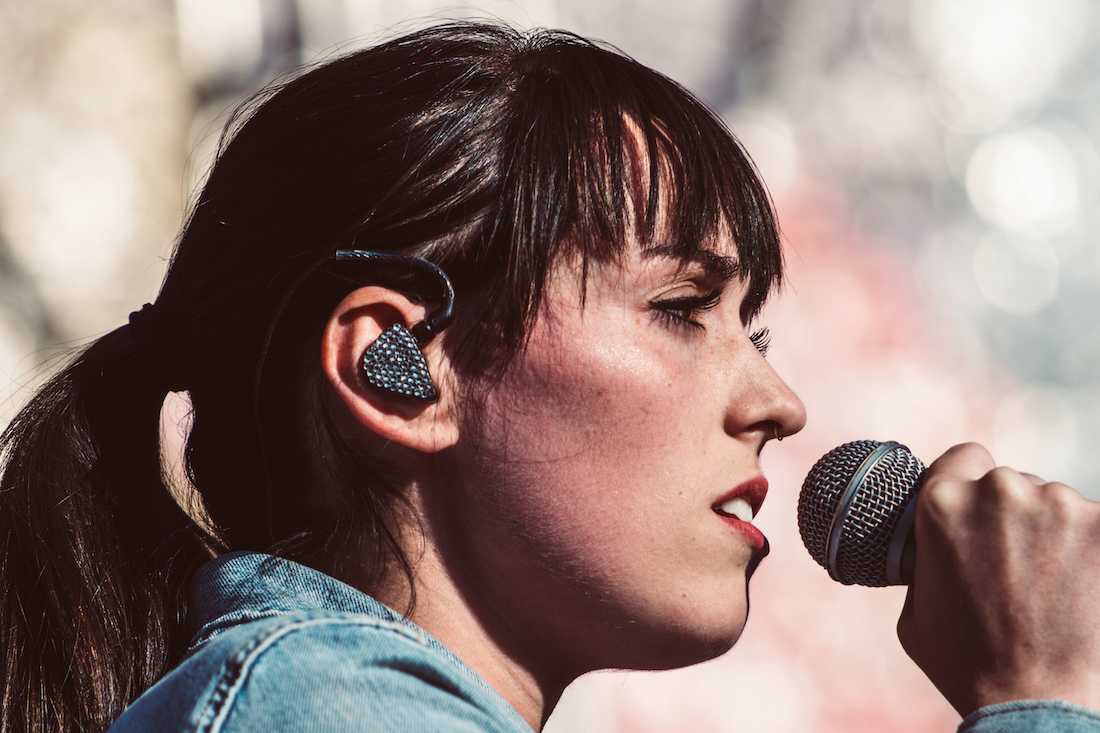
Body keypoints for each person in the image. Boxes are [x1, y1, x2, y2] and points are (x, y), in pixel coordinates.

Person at [1, 20, 1098, 733]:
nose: (777, 406)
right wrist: (1039, 696)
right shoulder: (316, 705)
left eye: (752, 336)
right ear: (399, 371)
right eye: (679, 309)